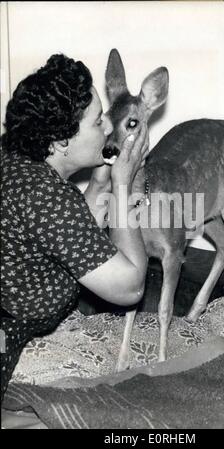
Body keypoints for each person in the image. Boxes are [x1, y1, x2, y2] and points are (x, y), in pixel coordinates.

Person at [0, 54, 149, 401]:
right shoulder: (44, 195)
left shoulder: (16, 158)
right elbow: (129, 288)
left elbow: (70, 236)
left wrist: (99, 187)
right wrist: (123, 187)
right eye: (98, 122)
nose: (109, 128)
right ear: (59, 140)